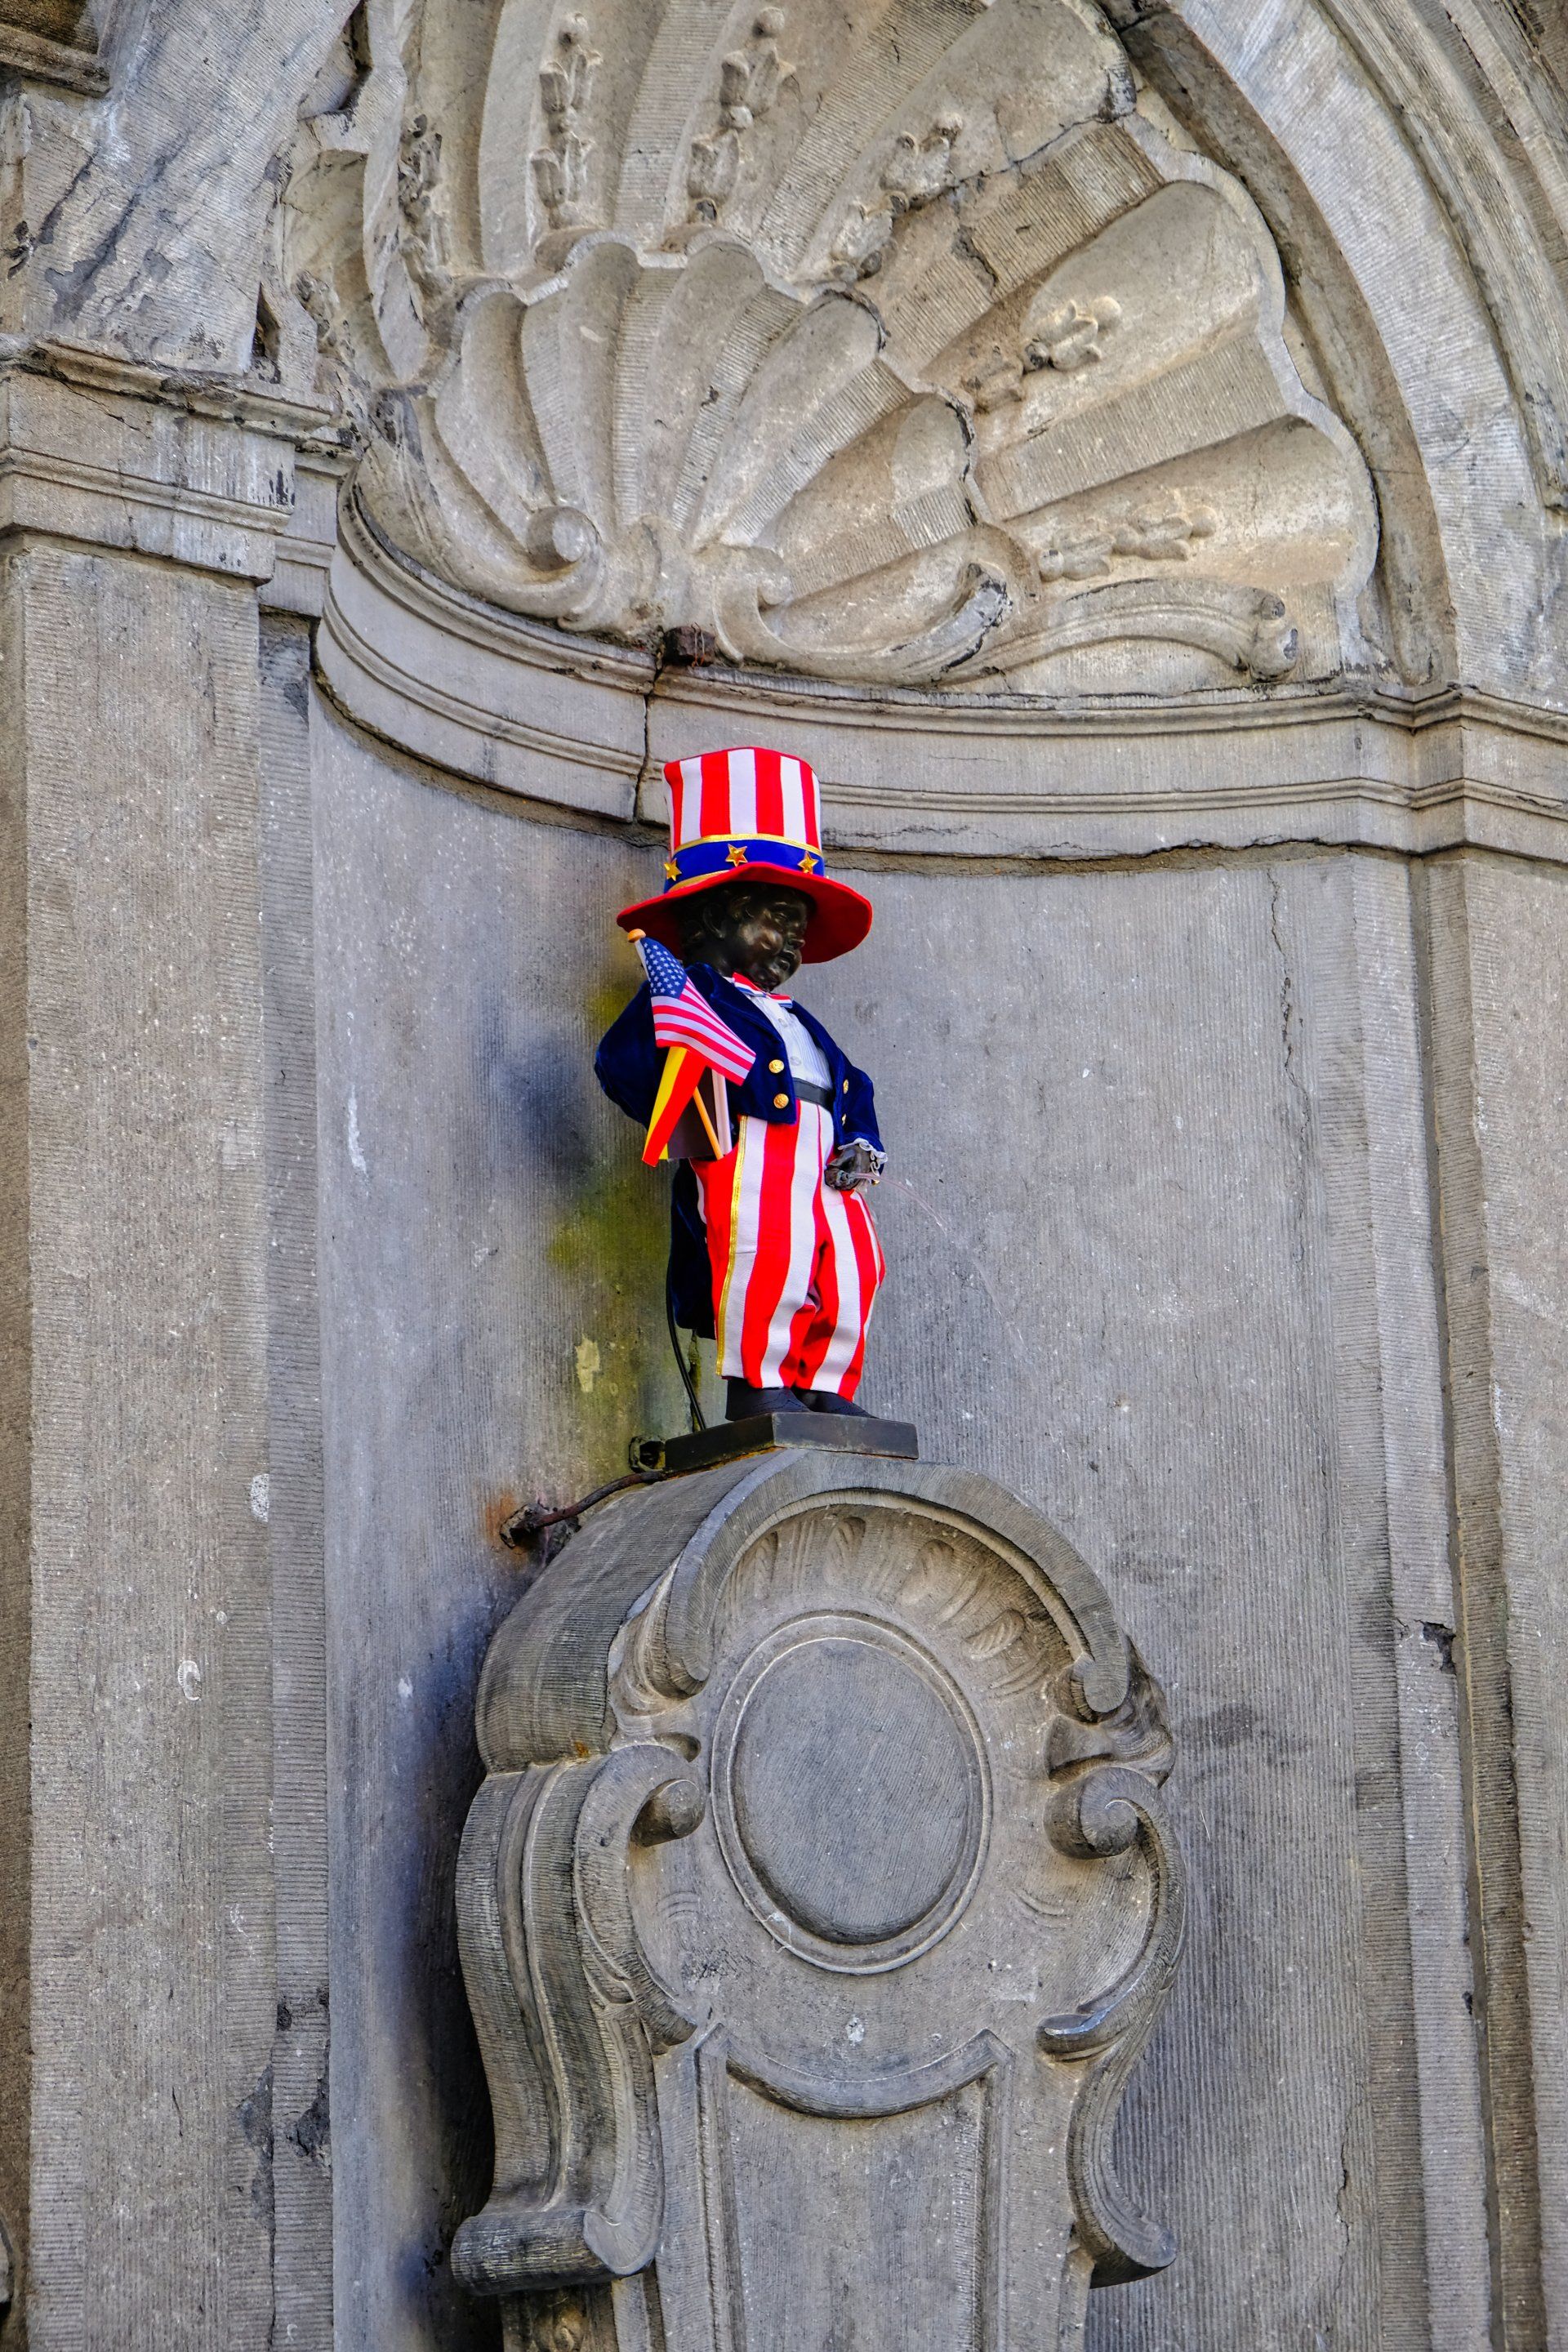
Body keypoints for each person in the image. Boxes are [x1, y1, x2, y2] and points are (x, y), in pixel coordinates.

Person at [595, 746, 886, 1422]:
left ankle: (824, 1382)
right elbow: (624, 1060)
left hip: (825, 1163)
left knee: (851, 1266)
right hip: (752, 1153)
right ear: (713, 920)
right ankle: (759, 1385)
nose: (790, 941)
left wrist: (863, 1144)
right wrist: (695, 1111)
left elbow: (853, 1086)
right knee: (766, 1259)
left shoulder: (799, 1021)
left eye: (798, 929)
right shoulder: (693, 996)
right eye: (776, 921)